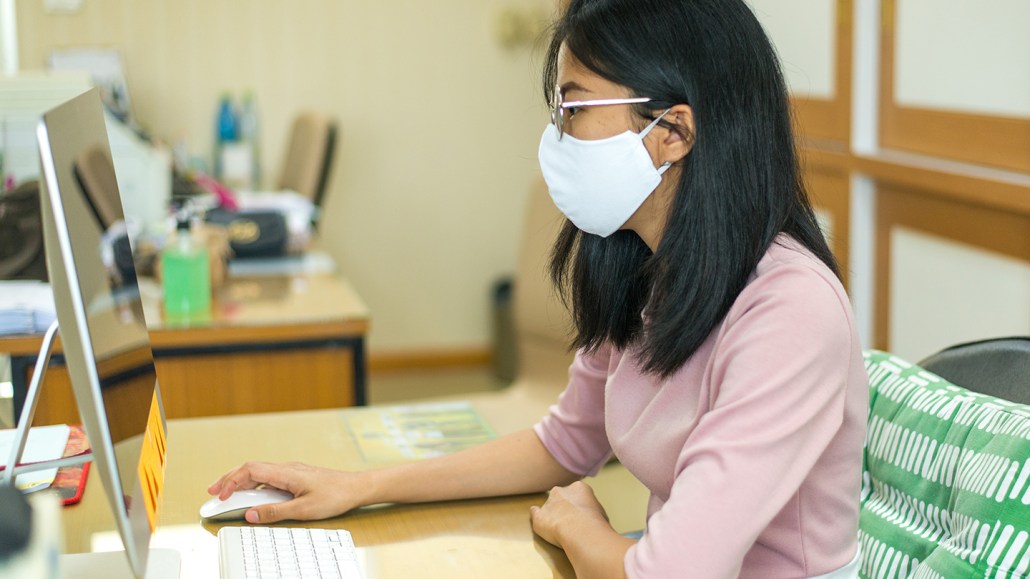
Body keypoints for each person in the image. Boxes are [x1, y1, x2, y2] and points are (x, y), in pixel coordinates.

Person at [208, 0, 868, 576]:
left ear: (672, 133)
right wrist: (363, 486)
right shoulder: (649, 263)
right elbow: (563, 445)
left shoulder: (792, 312)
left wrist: (579, 522)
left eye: (575, 108)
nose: (556, 136)